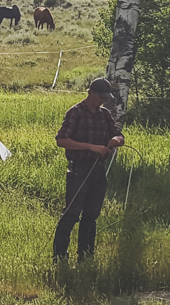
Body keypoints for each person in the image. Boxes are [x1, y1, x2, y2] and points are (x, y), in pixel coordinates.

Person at [53, 78, 126, 261]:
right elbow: (61, 140)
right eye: (100, 96)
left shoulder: (105, 115)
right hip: (78, 170)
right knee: (71, 214)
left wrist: (117, 140)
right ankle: (60, 257)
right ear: (91, 93)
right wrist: (91, 147)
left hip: (98, 171)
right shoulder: (75, 113)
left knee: (91, 216)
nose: (103, 100)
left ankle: (86, 256)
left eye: (105, 97)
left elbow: (118, 134)